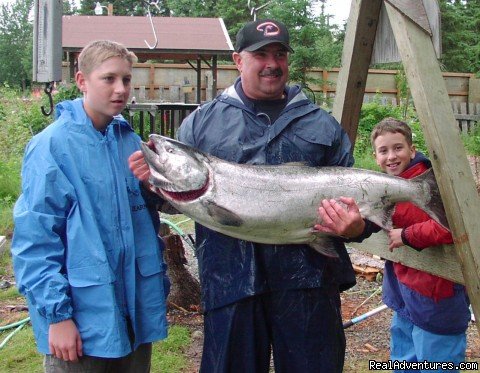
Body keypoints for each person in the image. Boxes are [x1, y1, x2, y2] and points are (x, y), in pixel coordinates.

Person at [130, 18, 377, 372]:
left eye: (280, 54)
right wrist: (148, 182)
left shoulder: (322, 126)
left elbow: (361, 209)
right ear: (238, 60)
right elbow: (168, 200)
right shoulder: (200, 124)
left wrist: (356, 229)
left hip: (310, 286)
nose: (272, 63)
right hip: (230, 286)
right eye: (260, 54)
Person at [11, 40, 169, 372]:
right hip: (80, 325)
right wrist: (58, 317)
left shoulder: (131, 143)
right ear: (82, 81)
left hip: (134, 320)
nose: (120, 89)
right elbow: (34, 242)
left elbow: (146, 219)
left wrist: (151, 188)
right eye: (108, 79)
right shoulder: (51, 147)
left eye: (126, 79)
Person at [371, 117, 471, 372]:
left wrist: (406, 235)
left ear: (412, 150)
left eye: (398, 148)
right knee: (404, 361)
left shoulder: (430, 182)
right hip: (403, 294)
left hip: (437, 298)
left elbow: (454, 226)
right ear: (375, 157)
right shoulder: (384, 187)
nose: (391, 156)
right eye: (384, 151)